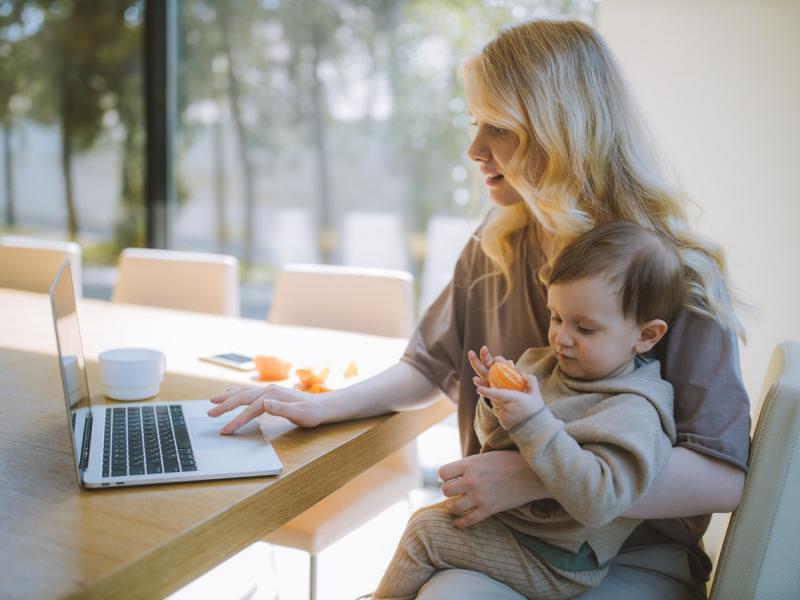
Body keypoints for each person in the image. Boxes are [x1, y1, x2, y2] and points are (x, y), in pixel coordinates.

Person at [208, 19, 750, 599]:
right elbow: (429, 366)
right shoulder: (496, 243)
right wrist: (325, 405)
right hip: (511, 535)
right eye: (474, 125)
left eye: (500, 128)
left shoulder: (673, 272)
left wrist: (534, 475)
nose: (474, 150)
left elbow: (721, 477)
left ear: (561, 131)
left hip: (631, 556)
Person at [372, 221, 683, 599]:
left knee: (425, 535)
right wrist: (496, 402)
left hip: (559, 559)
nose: (561, 338)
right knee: (429, 522)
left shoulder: (635, 409)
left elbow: (600, 501)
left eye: (584, 328)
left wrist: (534, 420)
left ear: (646, 335)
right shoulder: (544, 364)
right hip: (518, 529)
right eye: (556, 317)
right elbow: (497, 443)